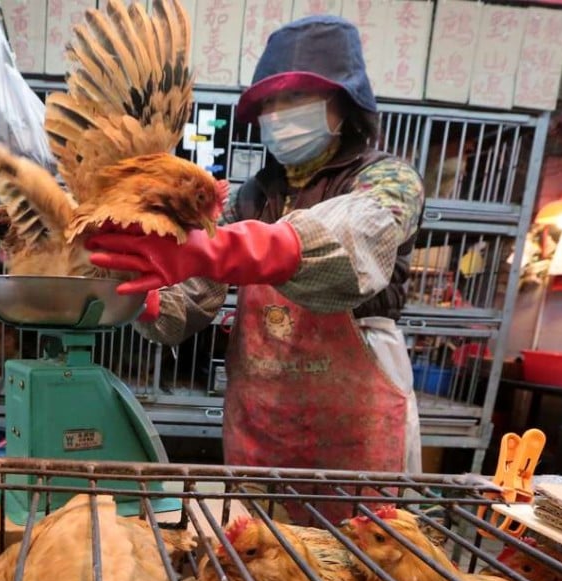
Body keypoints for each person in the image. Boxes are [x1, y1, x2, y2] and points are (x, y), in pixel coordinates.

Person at [87, 15, 424, 502]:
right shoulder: (255, 196)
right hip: (262, 426)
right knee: (261, 558)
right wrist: (148, 298)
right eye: (270, 103)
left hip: (354, 428)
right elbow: (194, 296)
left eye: (296, 98)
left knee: (359, 556)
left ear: (344, 105)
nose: (280, 113)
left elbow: (357, 234)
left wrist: (233, 248)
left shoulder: (388, 181)